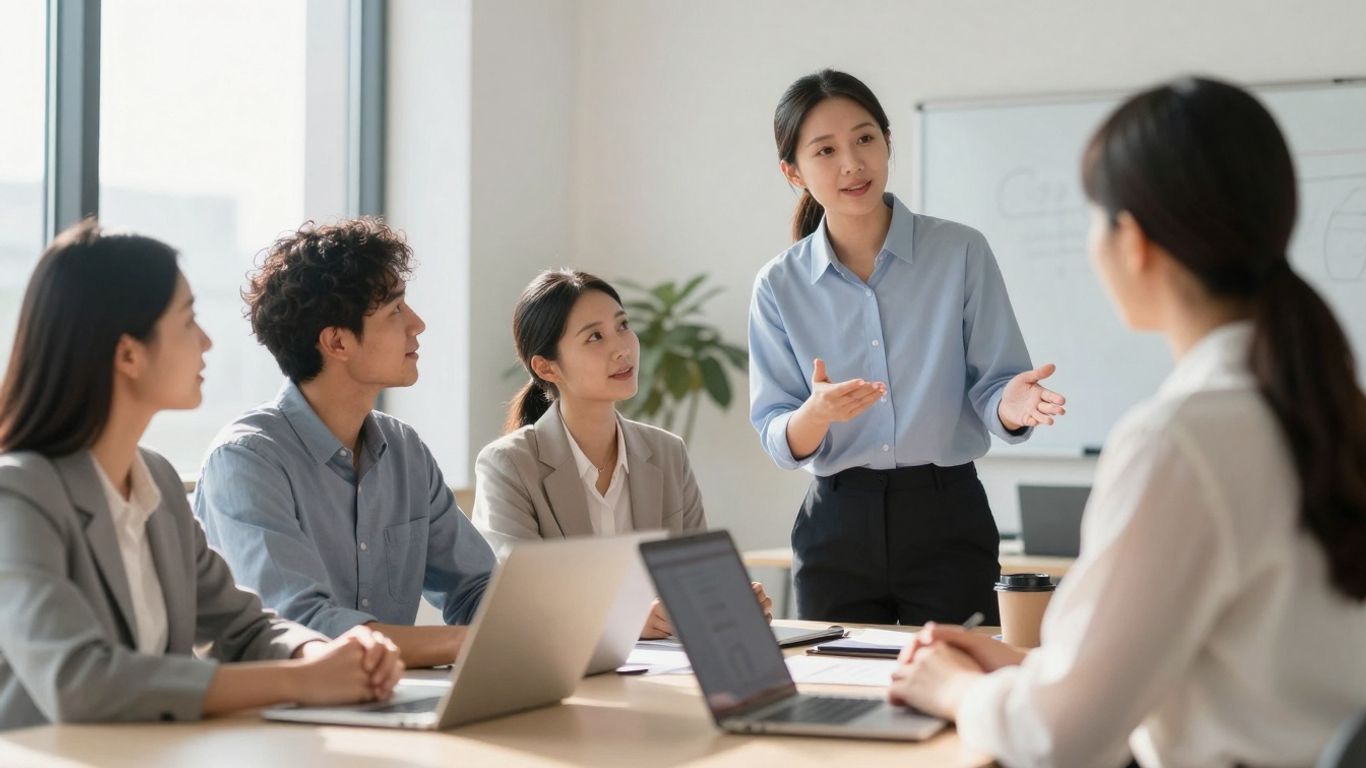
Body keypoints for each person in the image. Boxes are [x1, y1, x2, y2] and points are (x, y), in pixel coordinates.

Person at [889, 77, 1366, 768]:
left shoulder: (1184, 439)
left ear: (1133, 241)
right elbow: (1229, 668)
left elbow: (1060, 740)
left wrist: (956, 690)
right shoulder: (1332, 405)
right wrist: (1030, 669)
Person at [0, 221, 403, 730]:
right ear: (129, 353)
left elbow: (243, 627)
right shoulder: (16, 494)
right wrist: (298, 683)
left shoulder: (158, 483)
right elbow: (79, 680)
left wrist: (324, 652)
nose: (208, 342)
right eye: (189, 322)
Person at [749, 69, 1066, 625]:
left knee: (961, 688)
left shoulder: (961, 251)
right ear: (792, 172)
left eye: (866, 138)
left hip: (947, 514)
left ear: (888, 142)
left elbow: (996, 384)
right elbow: (777, 430)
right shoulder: (779, 285)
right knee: (835, 691)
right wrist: (815, 415)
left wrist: (1010, 405)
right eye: (826, 150)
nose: (852, 163)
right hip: (837, 522)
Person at [194, 218, 495, 668]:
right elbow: (304, 627)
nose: (418, 324)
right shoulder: (246, 461)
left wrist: (546, 632)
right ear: (337, 341)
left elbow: (476, 589)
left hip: (388, 705)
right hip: (274, 721)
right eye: (395, 310)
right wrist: (466, 644)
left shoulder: (404, 449)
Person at [474, 269, 771, 637]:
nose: (622, 347)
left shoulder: (667, 453)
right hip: (564, 675)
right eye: (595, 336)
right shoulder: (508, 465)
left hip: (666, 668)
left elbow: (695, 580)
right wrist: (624, 619)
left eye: (623, 325)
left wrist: (729, 599)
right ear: (546, 367)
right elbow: (524, 601)